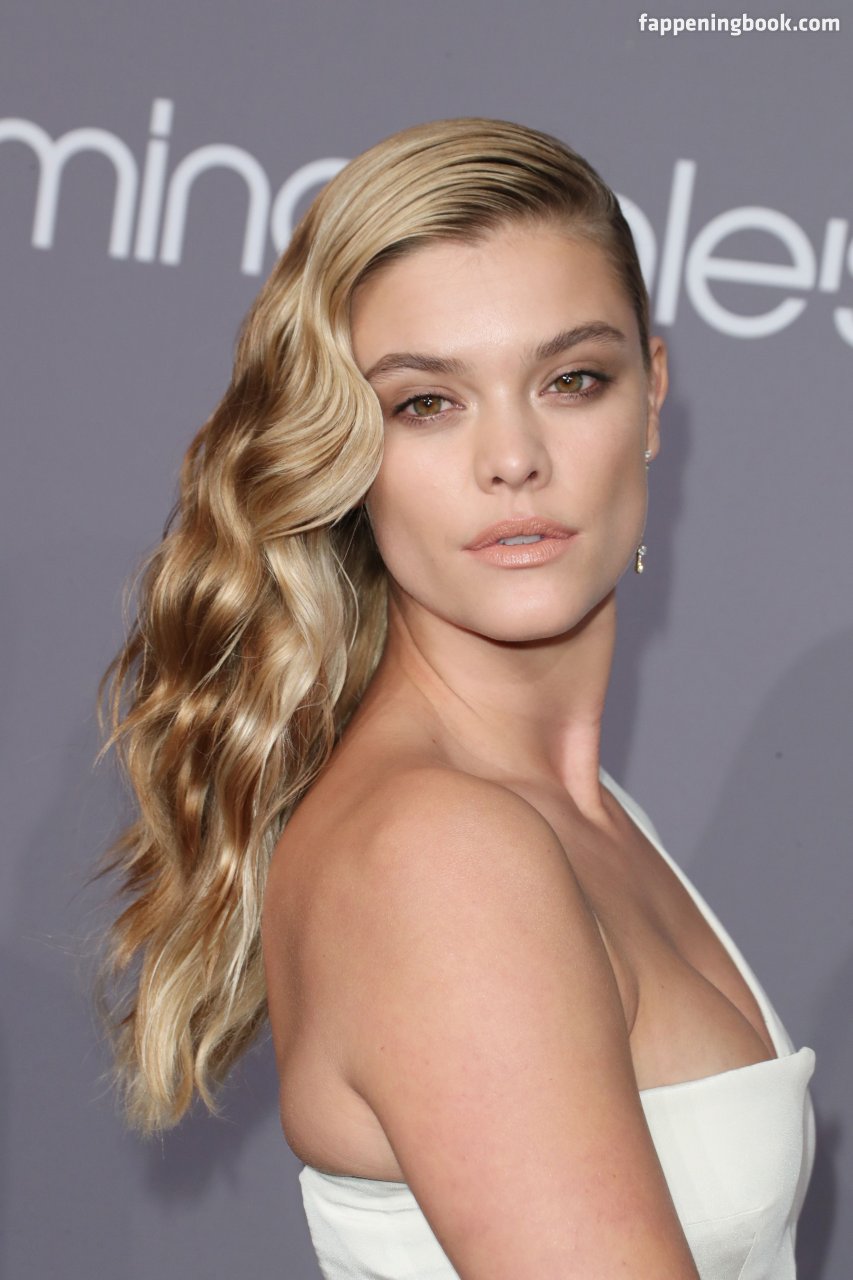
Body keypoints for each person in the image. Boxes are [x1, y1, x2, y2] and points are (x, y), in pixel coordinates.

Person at [97, 119, 816, 1279]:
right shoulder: (439, 852)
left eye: (572, 379)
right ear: (346, 446)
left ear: (650, 396)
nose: (513, 457)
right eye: (426, 402)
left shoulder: (573, 808)